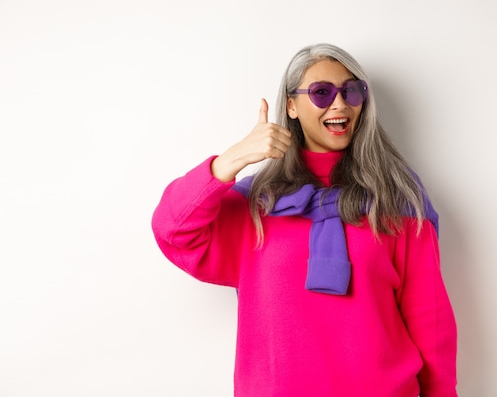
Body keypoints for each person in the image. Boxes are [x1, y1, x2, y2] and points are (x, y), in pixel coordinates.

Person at [152, 43, 458, 397]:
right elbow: (172, 230)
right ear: (291, 106)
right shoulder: (255, 204)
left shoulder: (397, 197)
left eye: (352, 91)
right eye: (322, 92)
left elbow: (430, 319)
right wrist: (233, 159)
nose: (340, 103)